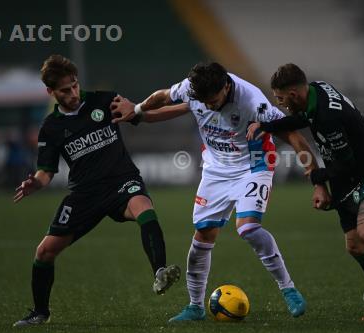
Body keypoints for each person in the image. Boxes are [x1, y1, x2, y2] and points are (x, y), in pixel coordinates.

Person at [111, 62, 319, 322]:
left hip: (253, 164)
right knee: (202, 237)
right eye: (204, 101)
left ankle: (288, 289)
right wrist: (138, 109)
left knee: (248, 228)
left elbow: (294, 136)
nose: (209, 106)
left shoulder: (253, 101)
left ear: (226, 86)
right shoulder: (192, 88)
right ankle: (195, 307)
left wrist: (317, 179)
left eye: (214, 100)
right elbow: (163, 97)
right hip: (215, 169)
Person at [247, 63, 364, 321]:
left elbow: (346, 164)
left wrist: (316, 177)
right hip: (348, 176)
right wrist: (267, 126)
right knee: (355, 245)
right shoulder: (317, 90)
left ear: (293, 94)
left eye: (281, 99)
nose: (281, 104)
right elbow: (302, 119)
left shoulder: (328, 117)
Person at [12, 55, 180, 327]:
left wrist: (189, 108)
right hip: (85, 195)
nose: (73, 93)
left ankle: (160, 270)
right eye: (65, 90)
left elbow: (145, 116)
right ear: (51, 92)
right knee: (44, 252)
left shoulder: (105, 101)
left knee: (145, 211)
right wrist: (36, 183)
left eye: (75, 85)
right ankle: (40, 312)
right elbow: (46, 173)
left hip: (121, 180)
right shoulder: (51, 128)